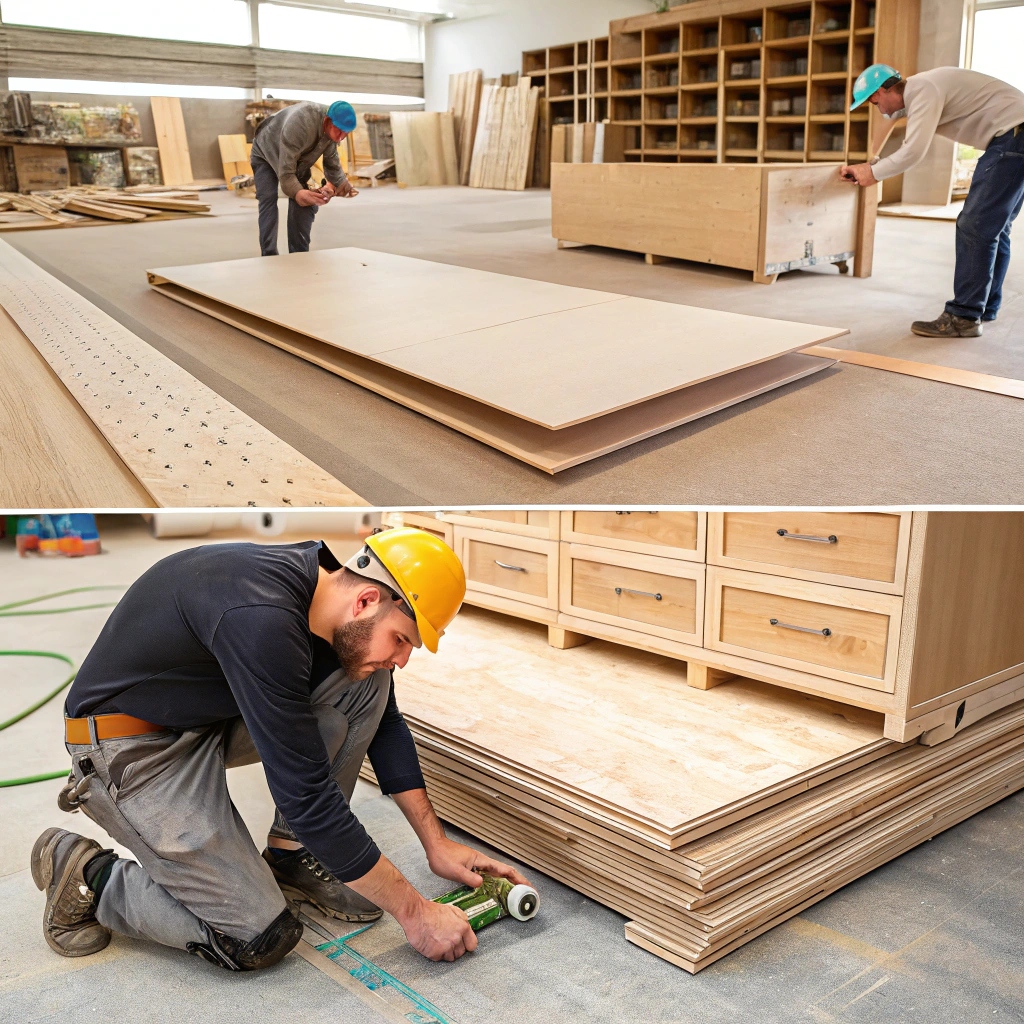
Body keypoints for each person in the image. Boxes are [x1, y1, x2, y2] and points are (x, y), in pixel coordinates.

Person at [31, 528, 530, 971]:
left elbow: (385, 724)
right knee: (256, 935)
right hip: (133, 750)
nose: (401, 658)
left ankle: (292, 857)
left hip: (204, 715)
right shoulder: (262, 616)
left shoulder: (323, 598)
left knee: (365, 683)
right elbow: (307, 800)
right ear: (367, 600)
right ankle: (87, 876)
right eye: (401, 639)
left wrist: (435, 844)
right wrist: (417, 913)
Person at [840, 63, 1024, 338]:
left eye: (873, 101)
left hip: (1012, 138)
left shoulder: (923, 90)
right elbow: (892, 124)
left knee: (974, 226)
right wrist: (872, 162)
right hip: (1016, 135)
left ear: (883, 90)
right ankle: (984, 307)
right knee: (995, 228)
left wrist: (873, 173)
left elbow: (913, 151)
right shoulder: (920, 89)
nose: (876, 108)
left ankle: (964, 316)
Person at [249, 99, 360, 257]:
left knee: (307, 200)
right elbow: (286, 173)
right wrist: (298, 193)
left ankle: (299, 255)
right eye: (340, 131)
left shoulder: (332, 129)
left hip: (296, 157)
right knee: (268, 198)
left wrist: (342, 184)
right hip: (265, 152)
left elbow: (332, 161)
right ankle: (269, 254)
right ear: (327, 121)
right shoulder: (300, 124)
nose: (341, 138)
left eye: (346, 134)